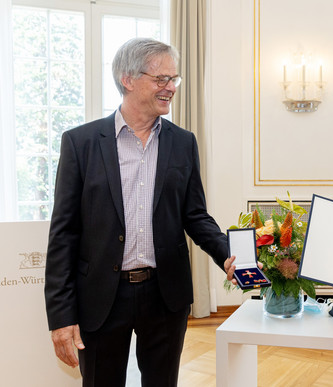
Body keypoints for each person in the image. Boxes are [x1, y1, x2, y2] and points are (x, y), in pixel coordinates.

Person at [44, 37, 239, 387]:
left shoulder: (183, 142)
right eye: (161, 79)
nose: (170, 88)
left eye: (174, 80)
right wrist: (60, 316)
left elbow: (195, 215)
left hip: (165, 294)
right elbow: (64, 233)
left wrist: (228, 255)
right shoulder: (81, 143)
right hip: (102, 295)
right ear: (128, 79)